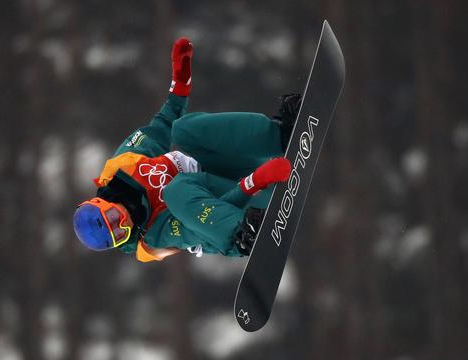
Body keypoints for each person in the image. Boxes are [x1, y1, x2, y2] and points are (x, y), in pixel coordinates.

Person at [72, 37, 302, 262]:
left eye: (114, 218)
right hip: (237, 206)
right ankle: (245, 233)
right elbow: (196, 234)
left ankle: (279, 135)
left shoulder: (122, 168)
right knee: (176, 190)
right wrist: (251, 192)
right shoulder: (151, 238)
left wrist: (179, 85)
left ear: (104, 203)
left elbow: (161, 127)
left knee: (183, 130)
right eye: (119, 235)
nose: (124, 224)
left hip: (226, 168)